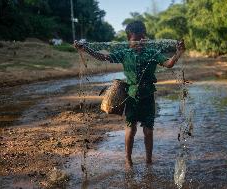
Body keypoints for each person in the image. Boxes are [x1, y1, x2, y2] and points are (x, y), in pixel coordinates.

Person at [74, 20, 185, 168]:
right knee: (130, 128)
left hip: (148, 98)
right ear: (128, 40)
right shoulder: (124, 54)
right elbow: (103, 57)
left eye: (141, 39)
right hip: (131, 97)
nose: (139, 43)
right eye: (135, 40)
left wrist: (178, 53)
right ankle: (128, 160)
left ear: (144, 37)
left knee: (148, 131)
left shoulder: (153, 53)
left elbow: (169, 63)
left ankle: (149, 161)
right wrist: (86, 49)